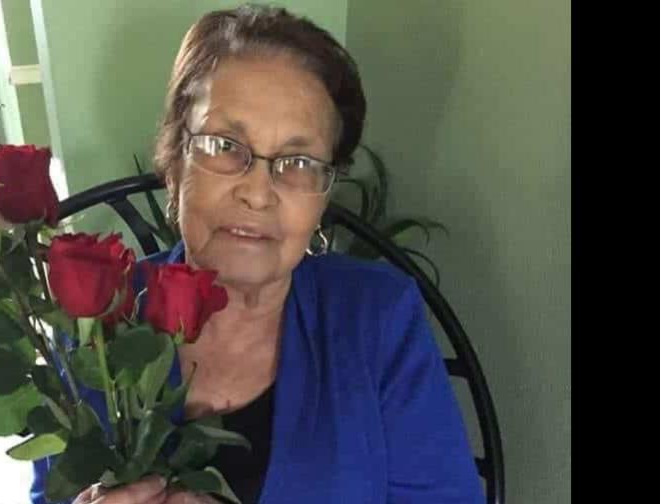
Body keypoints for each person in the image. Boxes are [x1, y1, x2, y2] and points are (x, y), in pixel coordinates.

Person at [31, 4, 484, 503]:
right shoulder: (95, 320)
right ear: (175, 164)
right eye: (224, 145)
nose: (257, 192)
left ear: (324, 195)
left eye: (299, 161)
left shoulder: (379, 316)